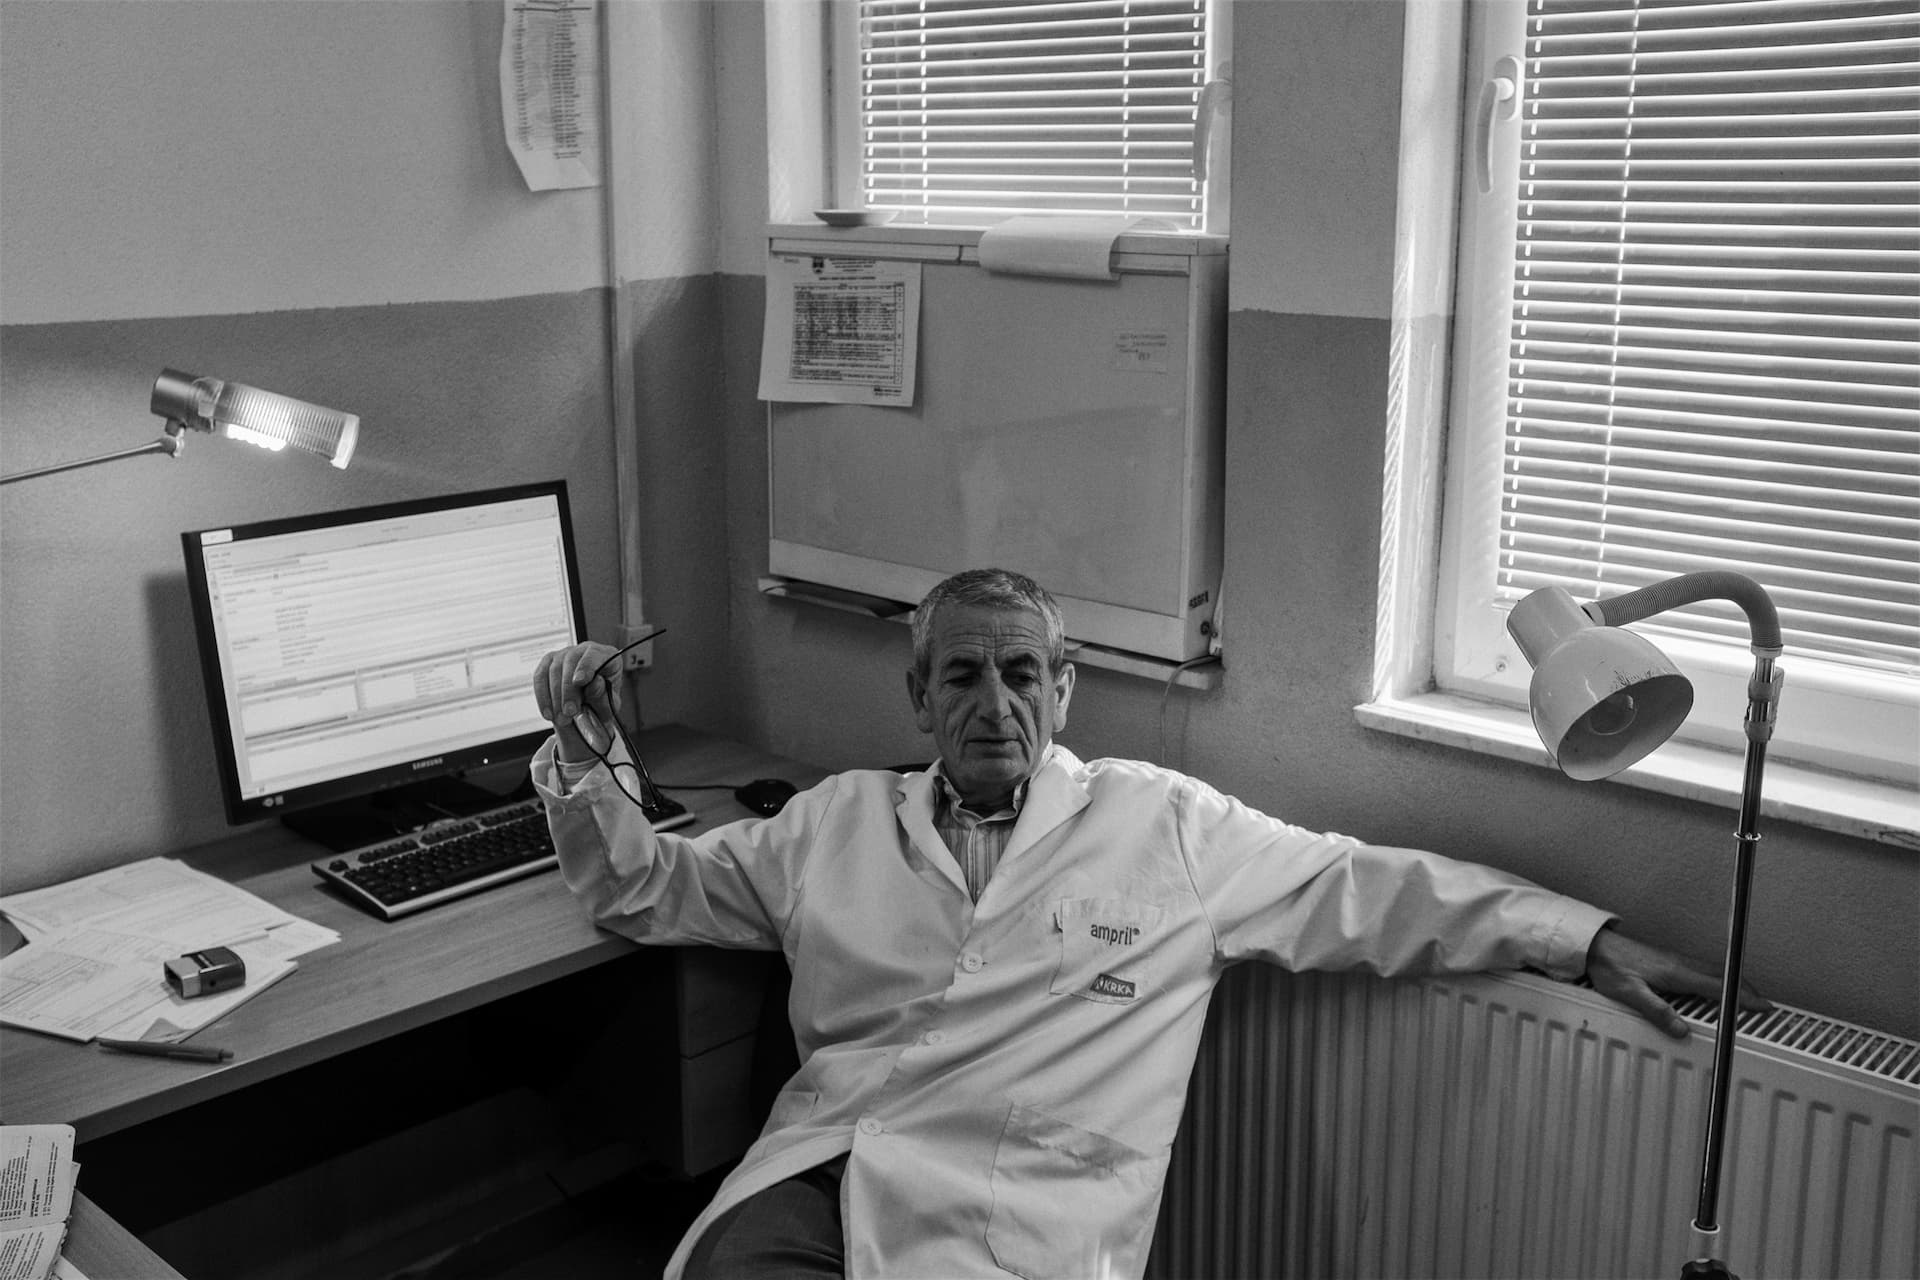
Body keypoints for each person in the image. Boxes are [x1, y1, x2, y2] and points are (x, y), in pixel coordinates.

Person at [531, 567, 1756, 1280]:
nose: (995, 702)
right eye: (962, 674)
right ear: (918, 695)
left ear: (1064, 690)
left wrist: (1579, 934)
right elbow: (647, 888)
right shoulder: (833, 821)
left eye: (1023, 672)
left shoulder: (1166, 826)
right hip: (824, 1171)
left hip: (1014, 1216)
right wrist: (587, 749)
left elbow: (1372, 887)